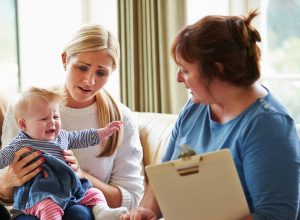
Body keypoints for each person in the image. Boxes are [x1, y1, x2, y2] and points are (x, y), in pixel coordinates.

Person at [121, 10, 300, 220]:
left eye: (185, 70)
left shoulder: (268, 126)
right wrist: (146, 211)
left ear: (218, 70)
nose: (179, 78)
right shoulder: (195, 107)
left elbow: (275, 216)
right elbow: (162, 177)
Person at [0, 23, 144, 220]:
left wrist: (79, 173)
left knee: (79, 215)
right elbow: (6, 191)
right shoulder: (26, 108)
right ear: (65, 59)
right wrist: (6, 183)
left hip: (82, 208)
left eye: (101, 73)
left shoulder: (121, 120)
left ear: (113, 70)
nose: (89, 81)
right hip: (34, 205)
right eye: (82, 68)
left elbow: (131, 199)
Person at [0, 86, 128, 220]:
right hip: (38, 194)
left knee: (93, 192)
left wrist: (104, 132)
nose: (52, 123)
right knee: (49, 206)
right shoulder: (19, 143)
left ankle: (103, 212)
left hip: (68, 188)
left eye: (55, 116)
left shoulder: (62, 136)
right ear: (23, 125)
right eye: (44, 119)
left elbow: (81, 137)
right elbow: (3, 158)